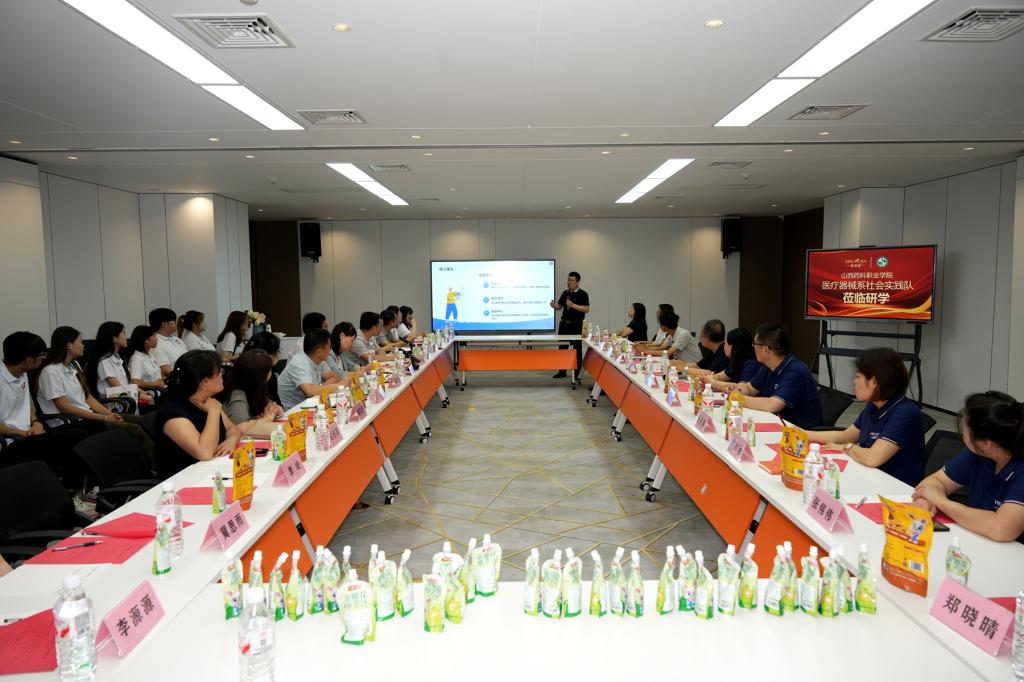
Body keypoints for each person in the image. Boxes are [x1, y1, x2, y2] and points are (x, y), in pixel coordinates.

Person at [912, 392, 1024, 543]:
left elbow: (1001, 529)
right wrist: (926, 501)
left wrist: (940, 501)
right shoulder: (978, 453)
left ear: (987, 443)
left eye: (965, 427)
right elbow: (936, 481)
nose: (962, 432)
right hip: (977, 538)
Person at [807, 347, 925, 486]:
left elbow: (872, 458)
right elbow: (844, 435)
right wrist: (802, 433)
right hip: (869, 477)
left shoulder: (905, 413)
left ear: (875, 381)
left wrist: (847, 447)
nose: (854, 382)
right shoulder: (873, 406)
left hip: (895, 489)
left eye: (858, 377)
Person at [1, 332, 89, 488]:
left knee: (85, 429)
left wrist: (35, 422)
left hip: (29, 434)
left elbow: (24, 405)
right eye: (41, 355)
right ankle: (70, 490)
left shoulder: (22, 373)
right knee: (75, 437)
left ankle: (74, 489)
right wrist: (20, 433)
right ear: (29, 360)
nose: (43, 358)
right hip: (10, 442)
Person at [155, 350, 241, 479]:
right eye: (219, 372)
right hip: (183, 481)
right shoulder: (173, 413)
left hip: (211, 471)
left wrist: (231, 440)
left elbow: (232, 429)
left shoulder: (206, 401)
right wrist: (214, 411)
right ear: (205, 381)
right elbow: (204, 453)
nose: (222, 376)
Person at [725, 322, 822, 428]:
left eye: (754, 344)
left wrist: (739, 398)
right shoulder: (767, 367)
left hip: (800, 432)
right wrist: (736, 389)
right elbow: (749, 389)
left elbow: (772, 405)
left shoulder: (795, 370)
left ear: (765, 349)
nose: (753, 347)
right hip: (777, 423)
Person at [36, 326, 126, 429]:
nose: (83, 346)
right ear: (69, 345)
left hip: (86, 418)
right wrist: (103, 417)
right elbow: (64, 407)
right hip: (69, 423)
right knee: (132, 429)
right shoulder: (50, 371)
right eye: (80, 342)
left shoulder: (74, 365)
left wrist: (108, 414)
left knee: (134, 422)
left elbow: (87, 397)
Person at [277, 329, 349, 410]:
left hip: (310, 405)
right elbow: (310, 392)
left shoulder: (318, 359)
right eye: (329, 347)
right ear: (319, 352)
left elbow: (334, 377)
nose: (330, 350)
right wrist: (339, 386)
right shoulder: (300, 362)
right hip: (292, 410)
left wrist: (318, 388)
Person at [221, 349, 283, 436]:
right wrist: (267, 419)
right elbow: (241, 428)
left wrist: (276, 409)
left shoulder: (253, 388)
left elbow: (270, 405)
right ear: (260, 375)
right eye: (269, 370)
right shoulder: (237, 395)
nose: (271, 373)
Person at [550, 271, 590, 379]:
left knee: (576, 349)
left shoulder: (583, 294)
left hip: (576, 325)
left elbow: (586, 309)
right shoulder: (565, 293)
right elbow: (559, 306)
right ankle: (562, 371)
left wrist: (573, 305)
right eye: (568, 280)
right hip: (564, 325)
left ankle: (577, 373)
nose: (568, 282)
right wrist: (554, 305)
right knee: (562, 348)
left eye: (571, 280)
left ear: (577, 282)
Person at [85, 321, 131, 399]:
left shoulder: (118, 357)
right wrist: (144, 397)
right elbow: (118, 389)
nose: (126, 337)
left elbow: (129, 385)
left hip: (126, 398)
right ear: (114, 339)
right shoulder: (104, 361)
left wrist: (146, 394)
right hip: (113, 402)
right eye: (123, 333)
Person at [244, 331, 283, 404]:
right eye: (279, 350)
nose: (279, 354)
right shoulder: (264, 377)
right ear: (270, 356)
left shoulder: (244, 373)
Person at [126, 325, 166, 393]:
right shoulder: (137, 358)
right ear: (146, 340)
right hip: (150, 393)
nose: (156, 339)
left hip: (160, 390)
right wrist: (155, 384)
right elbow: (135, 382)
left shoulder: (150, 355)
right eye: (153, 336)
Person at [150, 307, 186, 377]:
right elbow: (167, 371)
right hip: (178, 379)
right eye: (174, 321)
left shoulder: (177, 339)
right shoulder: (155, 344)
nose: (176, 324)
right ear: (164, 324)